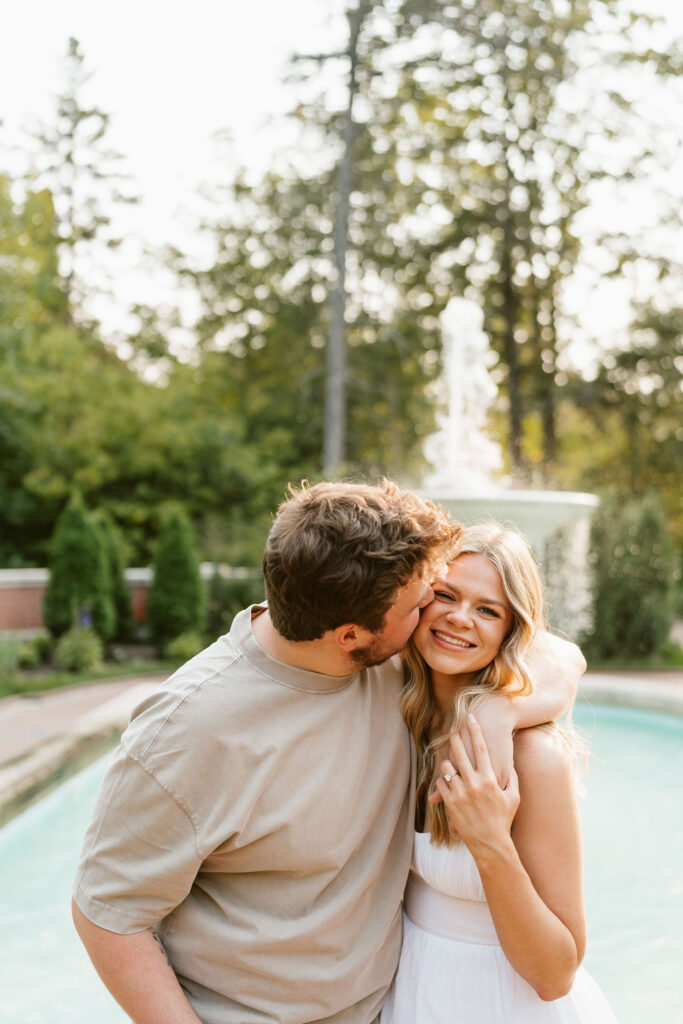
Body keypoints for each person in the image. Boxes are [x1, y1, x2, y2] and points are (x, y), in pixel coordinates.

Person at [72, 481, 585, 1024]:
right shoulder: (186, 732)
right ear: (351, 636)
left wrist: (496, 713)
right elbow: (109, 913)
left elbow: (557, 653)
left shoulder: (393, 664)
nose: (441, 617)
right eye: (425, 601)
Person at [380, 523, 618, 1024]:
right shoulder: (401, 713)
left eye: (487, 610)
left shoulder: (533, 757)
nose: (459, 618)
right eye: (445, 595)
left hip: (504, 1005)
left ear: (513, 632)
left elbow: (556, 975)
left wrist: (490, 841)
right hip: (414, 993)